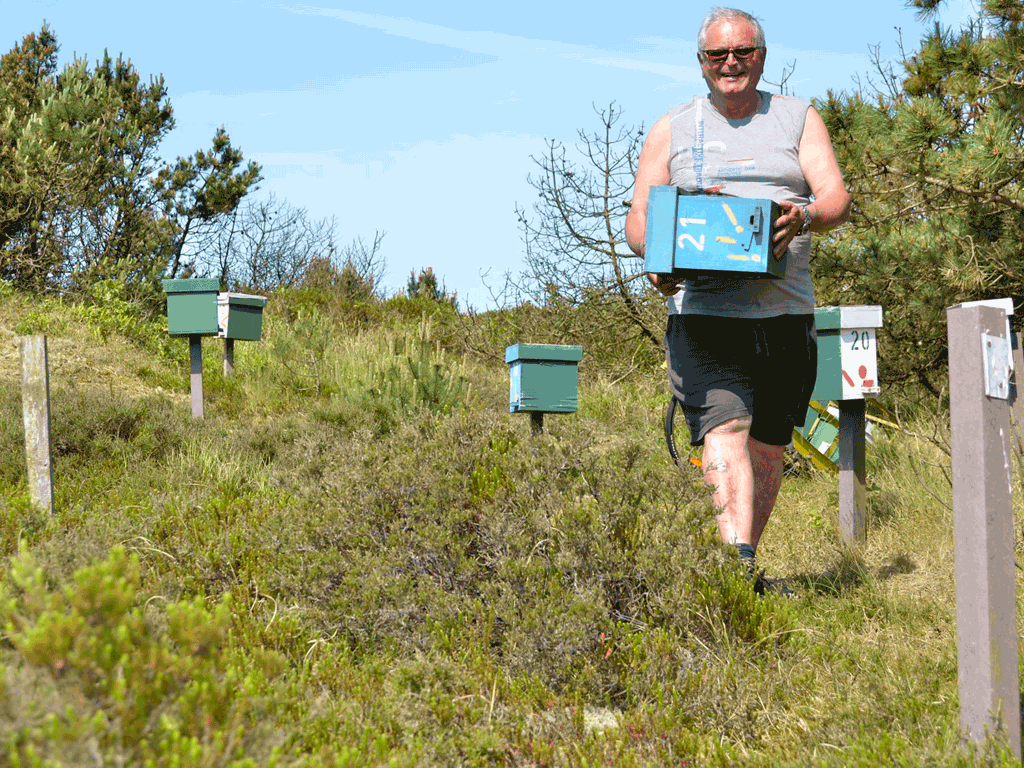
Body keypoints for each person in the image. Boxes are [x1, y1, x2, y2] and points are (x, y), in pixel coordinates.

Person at [625, 7, 851, 587]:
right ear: (700, 63)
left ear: (762, 57)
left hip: (786, 314)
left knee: (769, 445)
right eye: (717, 55)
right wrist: (659, 265)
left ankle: (741, 558)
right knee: (724, 430)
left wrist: (800, 216)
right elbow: (640, 219)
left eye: (742, 52)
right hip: (705, 315)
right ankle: (736, 573)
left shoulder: (798, 118)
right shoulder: (672, 128)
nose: (731, 64)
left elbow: (835, 200)